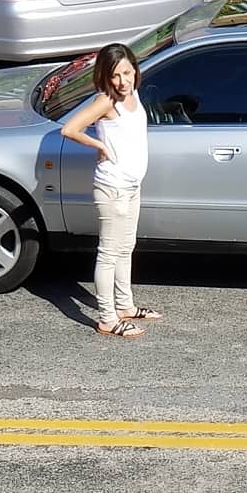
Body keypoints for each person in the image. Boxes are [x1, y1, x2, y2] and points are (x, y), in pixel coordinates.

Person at [61, 44, 161, 339]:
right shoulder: (106, 101)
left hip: (131, 185)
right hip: (112, 188)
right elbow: (70, 129)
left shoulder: (133, 94)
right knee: (108, 254)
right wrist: (100, 145)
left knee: (126, 247)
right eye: (115, 75)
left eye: (127, 73)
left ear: (134, 70)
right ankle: (107, 318)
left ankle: (125, 306)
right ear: (105, 76)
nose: (123, 81)